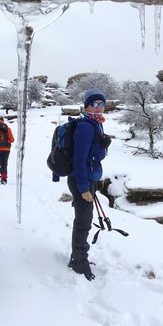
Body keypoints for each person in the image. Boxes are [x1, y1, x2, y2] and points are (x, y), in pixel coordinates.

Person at [67, 89, 111, 281]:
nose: (99, 107)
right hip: (81, 179)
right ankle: (79, 262)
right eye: (94, 104)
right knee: (83, 222)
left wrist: (103, 145)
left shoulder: (95, 124)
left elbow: (94, 154)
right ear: (86, 106)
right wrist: (84, 189)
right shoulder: (86, 126)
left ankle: (77, 257)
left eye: (102, 104)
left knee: (84, 219)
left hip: (89, 177)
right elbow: (79, 159)